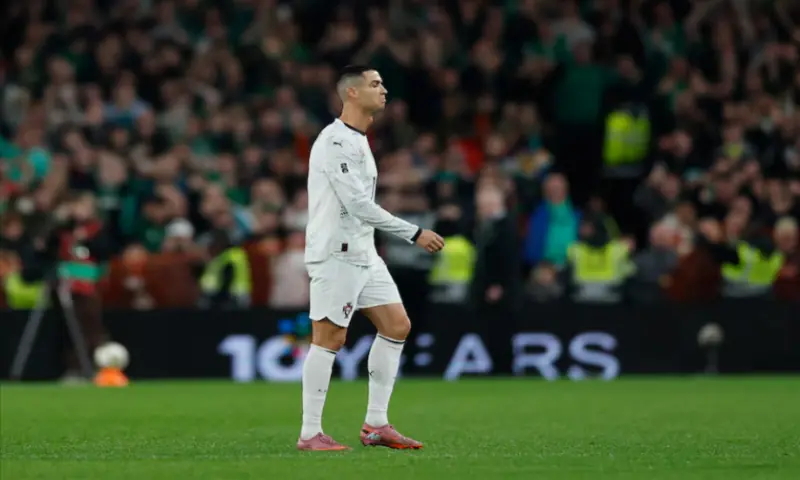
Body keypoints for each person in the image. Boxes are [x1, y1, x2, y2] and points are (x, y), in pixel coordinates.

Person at [299, 65, 444, 452]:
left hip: (364, 252)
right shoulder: (334, 141)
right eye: (375, 84)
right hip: (337, 252)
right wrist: (413, 232)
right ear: (352, 92)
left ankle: (376, 424)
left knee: (397, 325)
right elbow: (358, 205)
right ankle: (310, 433)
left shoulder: (359, 140)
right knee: (329, 337)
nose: (384, 90)